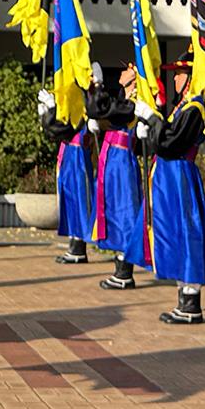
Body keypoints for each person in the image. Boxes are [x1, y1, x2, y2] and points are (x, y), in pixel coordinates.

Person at [139, 59, 205, 325]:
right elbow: (165, 138)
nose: (175, 79)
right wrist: (150, 130)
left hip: (179, 175)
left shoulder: (195, 108)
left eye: (180, 74)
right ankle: (184, 298)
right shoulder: (183, 106)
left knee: (186, 233)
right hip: (169, 176)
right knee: (174, 233)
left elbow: (171, 143)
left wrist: (153, 120)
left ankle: (191, 302)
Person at [93, 65, 148, 289]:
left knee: (125, 211)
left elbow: (107, 109)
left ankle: (125, 272)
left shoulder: (133, 103)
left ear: (134, 78)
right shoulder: (123, 99)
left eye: (127, 69)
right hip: (112, 159)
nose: (122, 72)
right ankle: (120, 268)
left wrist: (98, 87)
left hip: (121, 161)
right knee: (113, 210)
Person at [43, 87, 99, 264]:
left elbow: (62, 130)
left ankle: (79, 247)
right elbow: (55, 131)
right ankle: (75, 246)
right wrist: (47, 115)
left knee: (79, 202)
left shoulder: (81, 113)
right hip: (70, 156)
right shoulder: (74, 112)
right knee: (71, 202)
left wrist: (51, 111)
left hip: (78, 158)